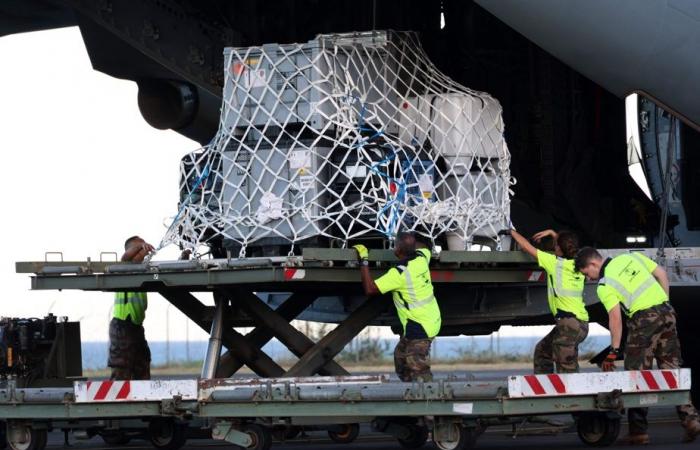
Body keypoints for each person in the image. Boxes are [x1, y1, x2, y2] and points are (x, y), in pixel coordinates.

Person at [575, 247, 700, 444]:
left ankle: (638, 431)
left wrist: (614, 351)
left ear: (593, 264)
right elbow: (662, 274)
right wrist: (665, 303)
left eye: (586, 273)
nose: (589, 278)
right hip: (667, 313)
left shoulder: (605, 284)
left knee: (637, 375)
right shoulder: (632, 257)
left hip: (643, 321)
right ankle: (691, 420)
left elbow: (615, 319)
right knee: (672, 371)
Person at [353, 232, 441, 382]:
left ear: (397, 250)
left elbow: (370, 289)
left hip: (420, 326)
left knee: (417, 367)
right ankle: (412, 391)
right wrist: (412, 235)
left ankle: (428, 397)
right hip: (429, 319)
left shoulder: (399, 273)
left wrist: (364, 260)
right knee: (400, 358)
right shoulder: (422, 258)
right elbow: (425, 246)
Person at [507, 228, 589, 374]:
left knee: (567, 370)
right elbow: (566, 246)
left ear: (560, 249)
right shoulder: (579, 264)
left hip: (568, 324)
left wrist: (511, 232)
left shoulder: (554, 264)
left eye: (555, 245)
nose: (553, 247)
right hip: (580, 324)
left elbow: (527, 247)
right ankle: (547, 389)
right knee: (543, 352)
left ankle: (571, 395)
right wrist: (553, 233)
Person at [108, 235, 154, 380]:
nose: (143, 252)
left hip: (136, 326)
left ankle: (144, 398)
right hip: (122, 324)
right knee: (121, 368)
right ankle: (115, 399)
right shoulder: (124, 268)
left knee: (142, 363)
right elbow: (125, 257)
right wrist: (140, 247)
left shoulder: (142, 270)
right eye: (139, 248)